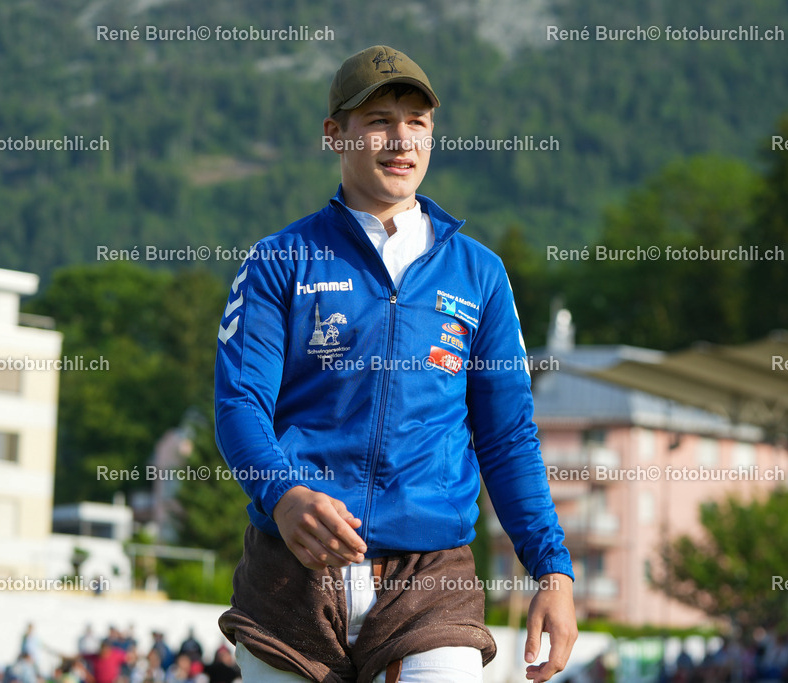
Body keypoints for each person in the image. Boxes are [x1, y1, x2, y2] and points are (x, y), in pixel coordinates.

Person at [214, 44, 577, 682]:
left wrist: (552, 569)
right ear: (336, 134)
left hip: (430, 578)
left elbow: (507, 435)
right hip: (291, 577)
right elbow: (240, 406)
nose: (400, 139)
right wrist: (283, 497)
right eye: (379, 119)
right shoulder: (279, 260)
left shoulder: (481, 275)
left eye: (417, 123)